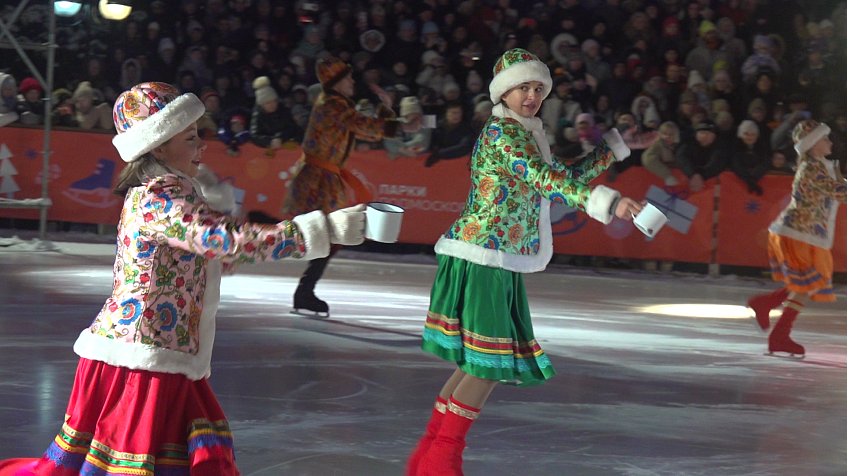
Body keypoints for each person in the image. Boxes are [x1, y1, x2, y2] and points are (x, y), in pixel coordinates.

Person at [0, 82, 366, 475]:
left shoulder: (168, 194)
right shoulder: (162, 200)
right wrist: (323, 230)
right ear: (158, 147)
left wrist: (223, 247)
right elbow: (227, 241)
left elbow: (197, 260)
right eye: (191, 138)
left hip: (160, 352)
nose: (201, 146)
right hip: (141, 360)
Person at [405, 49, 641, 476]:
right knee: (488, 364)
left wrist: (615, 149)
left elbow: (557, 177)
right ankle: (441, 462)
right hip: (486, 259)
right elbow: (546, 180)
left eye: (538, 88)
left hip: (494, 259)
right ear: (503, 92)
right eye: (523, 88)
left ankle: (429, 458)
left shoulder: (522, 130)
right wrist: (607, 202)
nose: (532, 96)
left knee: (478, 364)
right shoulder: (505, 134)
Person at [281, 56, 422, 316]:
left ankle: (305, 290)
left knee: (328, 235)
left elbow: (360, 124)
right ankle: (303, 289)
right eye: (347, 77)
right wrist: (401, 124)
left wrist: (386, 110)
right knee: (325, 234)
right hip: (318, 181)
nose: (352, 81)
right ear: (336, 82)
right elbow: (362, 124)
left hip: (324, 179)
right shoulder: (332, 105)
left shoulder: (336, 105)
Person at [747, 119, 846, 358]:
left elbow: (837, 188)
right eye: (825, 138)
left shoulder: (818, 164)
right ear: (812, 145)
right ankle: (779, 334)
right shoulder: (812, 168)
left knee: (810, 280)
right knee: (811, 281)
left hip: (803, 232)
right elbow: (837, 191)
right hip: (798, 233)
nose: (830, 142)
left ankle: (768, 307)